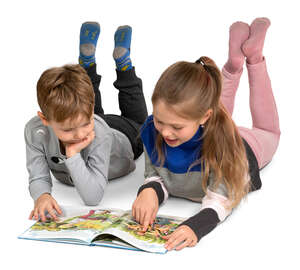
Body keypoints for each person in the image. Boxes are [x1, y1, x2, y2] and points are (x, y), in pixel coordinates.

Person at [132, 17, 280, 251]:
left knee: (268, 131)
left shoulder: (223, 149)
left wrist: (196, 226)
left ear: (204, 117)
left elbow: (220, 200)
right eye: (160, 120)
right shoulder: (154, 129)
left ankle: (253, 59)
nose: (166, 132)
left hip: (245, 147)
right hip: (205, 129)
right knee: (206, 116)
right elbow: (156, 173)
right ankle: (233, 65)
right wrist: (149, 190)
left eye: (176, 127)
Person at [25, 22, 148, 222]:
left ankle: (124, 65)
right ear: (45, 119)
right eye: (68, 130)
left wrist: (72, 153)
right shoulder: (34, 131)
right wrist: (42, 196)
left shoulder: (98, 132)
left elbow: (92, 198)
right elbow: (37, 175)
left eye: (84, 124)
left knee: (140, 124)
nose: (80, 135)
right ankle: (87, 62)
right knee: (84, 109)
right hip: (93, 120)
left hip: (124, 134)